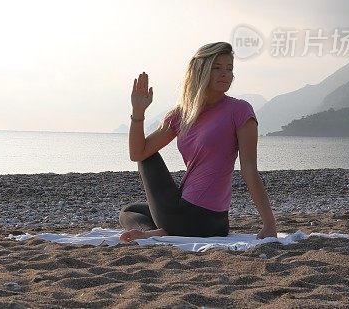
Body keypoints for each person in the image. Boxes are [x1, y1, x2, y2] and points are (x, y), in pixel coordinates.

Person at [119, 41, 277, 242]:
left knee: (148, 159)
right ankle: (162, 232)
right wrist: (138, 112)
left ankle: (161, 232)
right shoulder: (181, 115)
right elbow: (136, 153)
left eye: (229, 69)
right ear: (200, 71)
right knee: (129, 211)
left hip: (196, 217)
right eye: (217, 68)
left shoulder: (239, 110)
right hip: (212, 224)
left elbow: (249, 170)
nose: (225, 74)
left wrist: (269, 224)